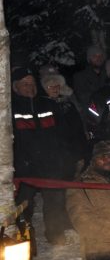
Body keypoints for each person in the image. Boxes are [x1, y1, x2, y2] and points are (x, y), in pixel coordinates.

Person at [12, 67, 75, 246]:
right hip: (24, 167)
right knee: (23, 205)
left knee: (55, 201)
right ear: (16, 86)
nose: (30, 87)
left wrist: (64, 159)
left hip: (51, 164)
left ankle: (55, 234)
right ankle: (23, 239)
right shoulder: (10, 109)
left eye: (32, 83)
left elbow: (63, 134)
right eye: (25, 83)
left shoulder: (48, 105)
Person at [73, 45, 108, 112]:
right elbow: (82, 97)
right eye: (95, 56)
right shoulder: (80, 77)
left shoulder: (109, 74)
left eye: (101, 56)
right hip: (91, 113)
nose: (98, 58)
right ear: (89, 59)